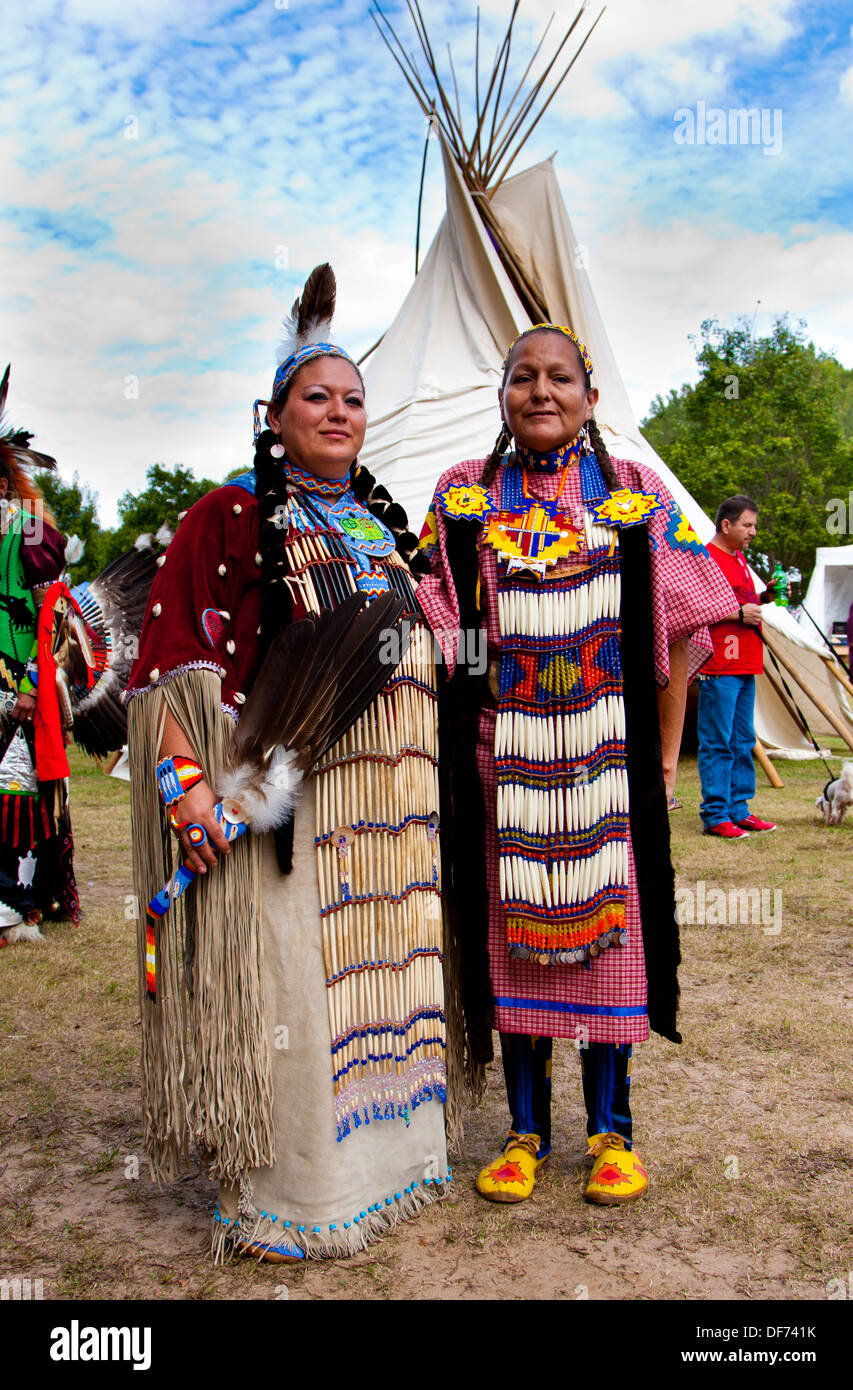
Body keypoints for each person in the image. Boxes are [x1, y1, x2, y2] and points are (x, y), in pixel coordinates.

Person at [125, 266, 449, 1261]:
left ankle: (394, 1171)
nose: (340, 412)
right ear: (273, 414)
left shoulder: (389, 528)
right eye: (318, 396)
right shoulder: (224, 517)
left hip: (396, 815)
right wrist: (189, 788)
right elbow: (169, 663)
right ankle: (298, 1195)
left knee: (390, 988)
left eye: (354, 399)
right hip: (286, 821)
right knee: (298, 1002)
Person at [415, 323, 734, 1205]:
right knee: (514, 937)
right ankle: (523, 1135)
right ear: (504, 395)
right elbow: (437, 619)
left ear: (591, 399)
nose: (541, 392)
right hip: (504, 761)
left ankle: (610, 1134)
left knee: (611, 945)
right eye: (524, 378)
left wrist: (664, 760)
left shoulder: (633, 491)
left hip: (606, 762)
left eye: (560, 378)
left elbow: (686, 625)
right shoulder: (463, 498)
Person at [0, 367, 79, 946]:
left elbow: (51, 616)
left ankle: (17, 901)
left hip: (16, 692)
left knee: (14, 792)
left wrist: (30, 684)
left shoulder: (27, 535)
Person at [697, 495, 779, 840]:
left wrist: (763, 599)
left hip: (746, 660)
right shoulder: (705, 558)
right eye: (748, 524)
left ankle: (739, 809)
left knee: (743, 739)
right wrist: (738, 613)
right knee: (718, 741)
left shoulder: (740, 559)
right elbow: (694, 606)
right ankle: (715, 813)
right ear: (726, 525)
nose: (753, 532)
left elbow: (742, 605)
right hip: (720, 662)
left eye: (754, 525)